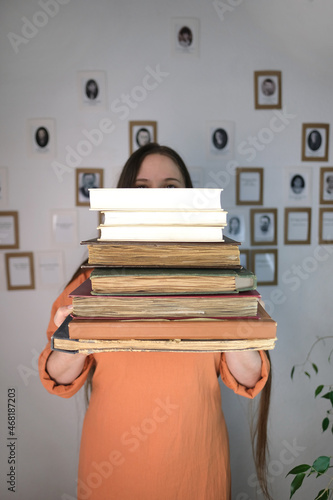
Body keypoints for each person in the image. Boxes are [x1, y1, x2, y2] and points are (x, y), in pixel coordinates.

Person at [39, 143, 272, 500]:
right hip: (112, 469)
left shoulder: (222, 280)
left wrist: (232, 311)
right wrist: (73, 338)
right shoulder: (87, 284)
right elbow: (59, 377)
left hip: (196, 467)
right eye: (141, 188)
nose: (156, 198)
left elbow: (249, 377)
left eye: (171, 188)